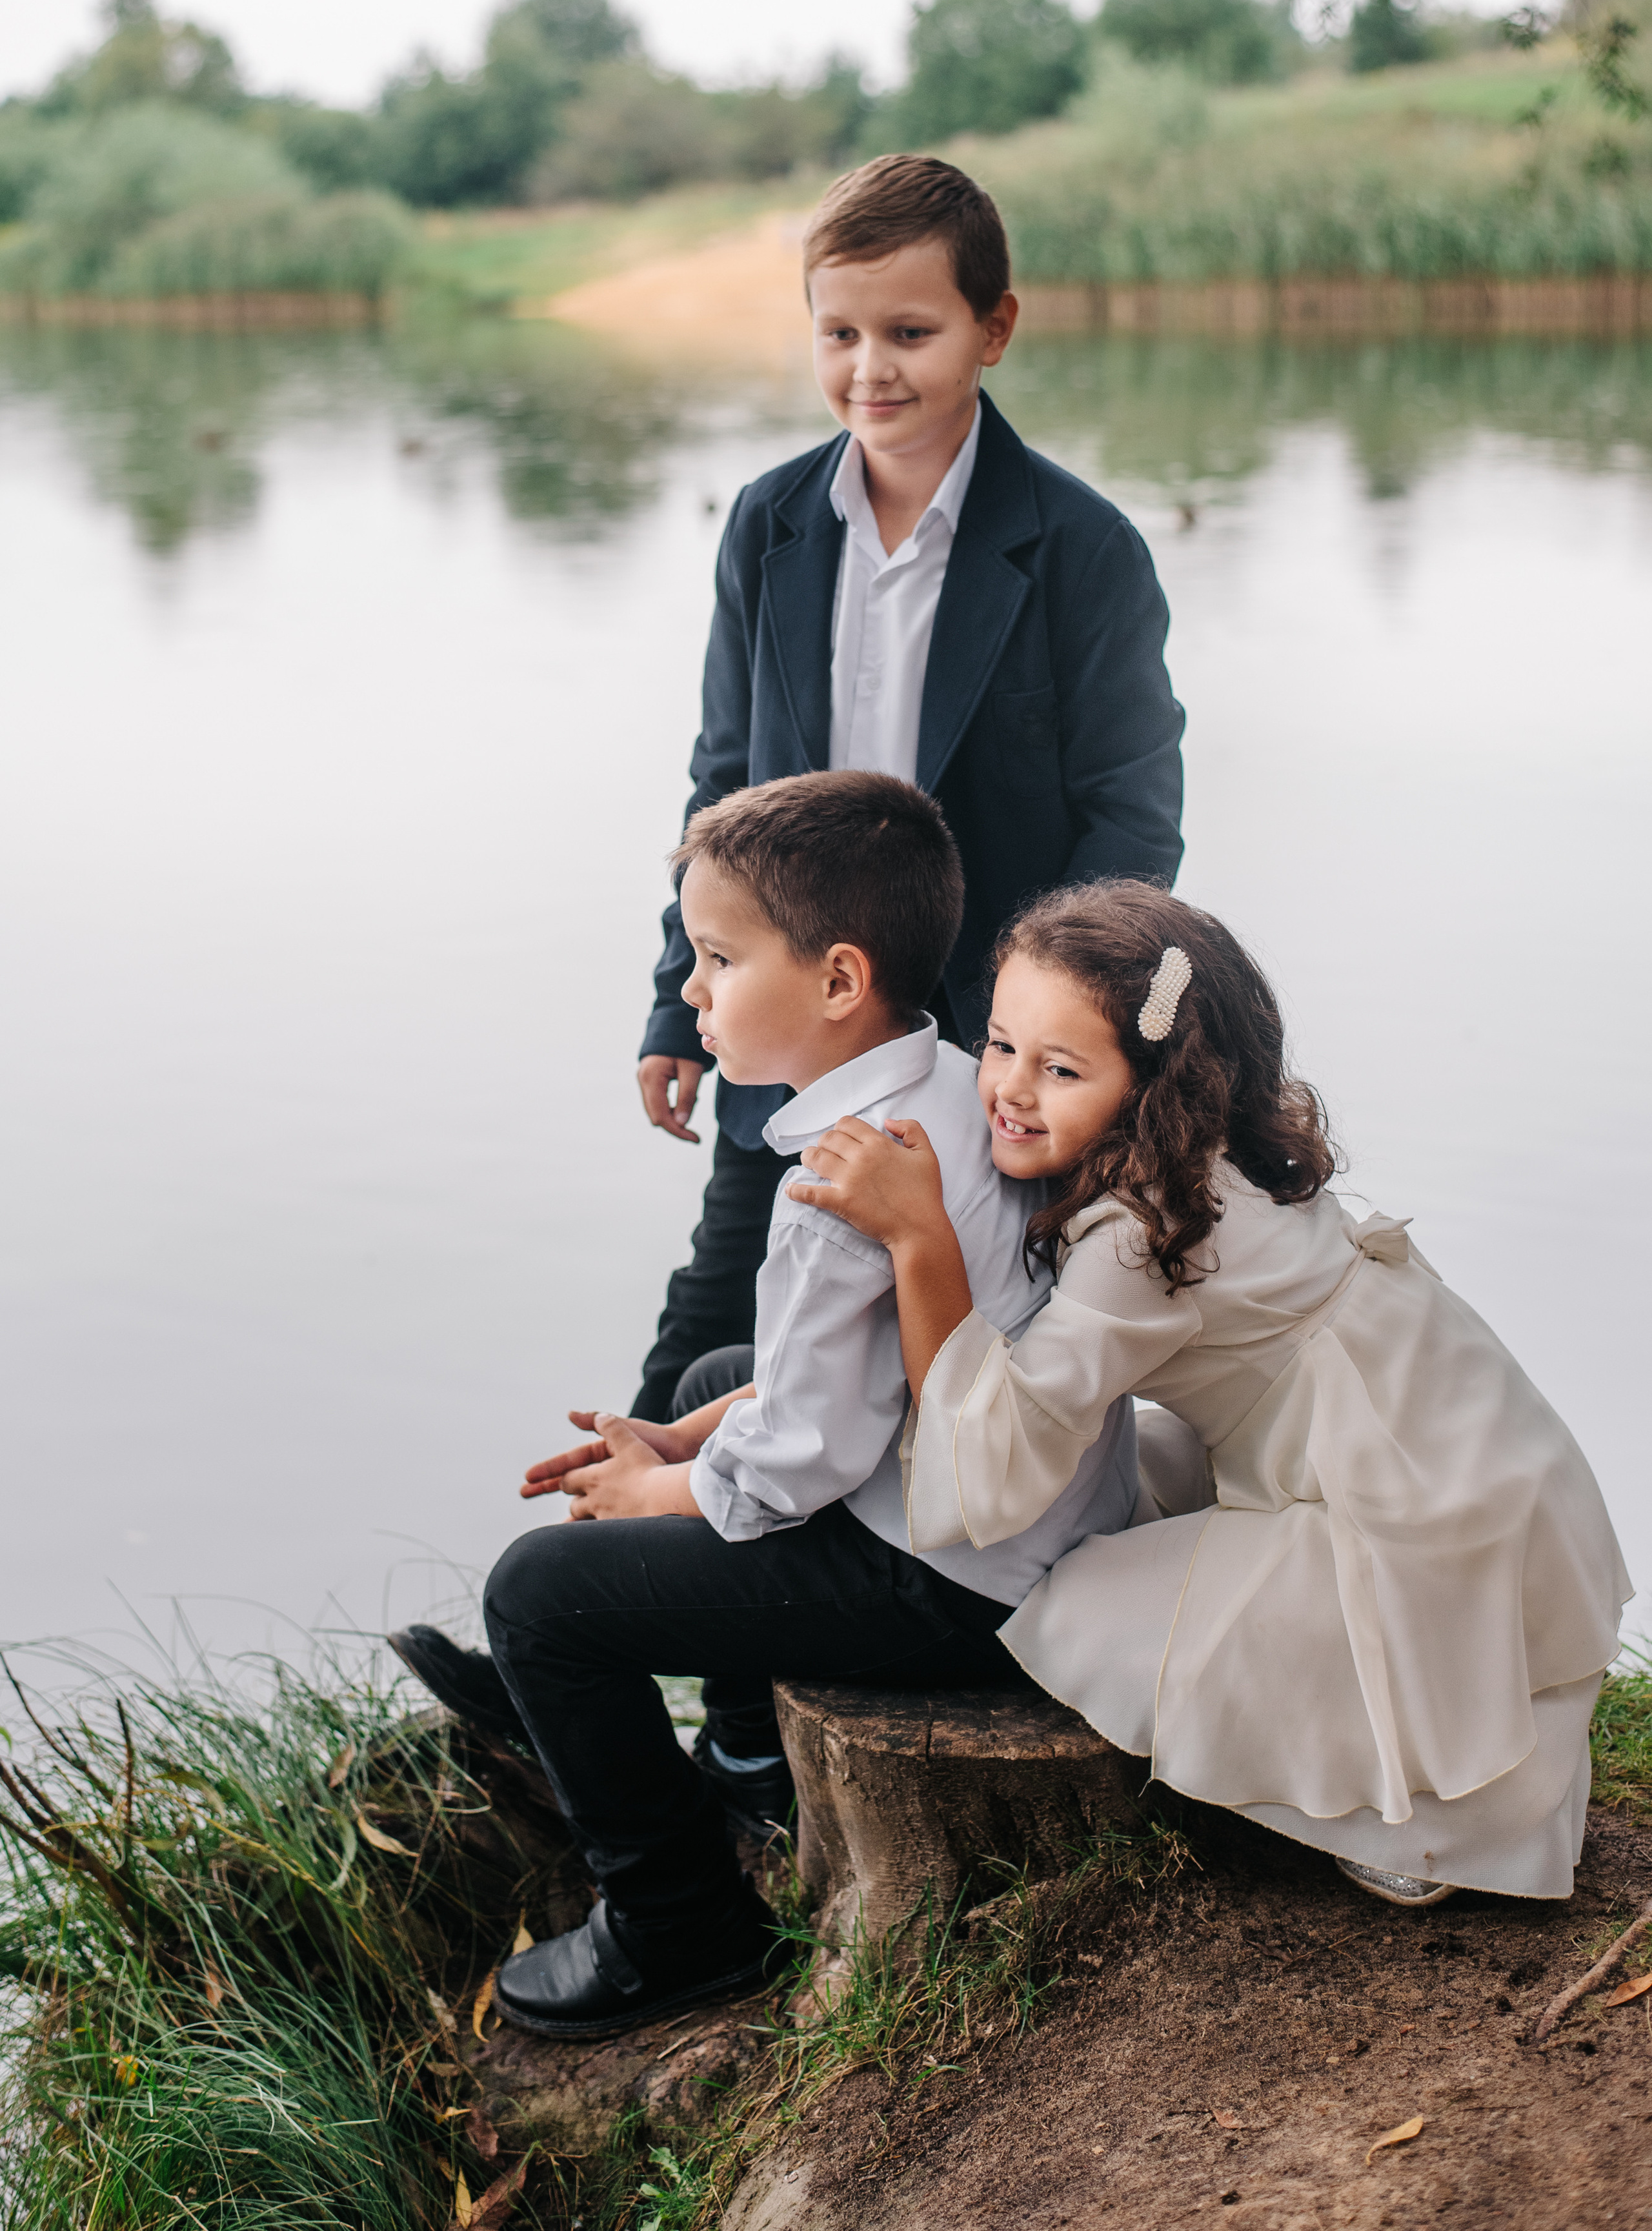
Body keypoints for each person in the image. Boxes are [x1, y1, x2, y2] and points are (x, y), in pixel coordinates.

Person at [393, 773, 1143, 2038]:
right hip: (1024, 1506)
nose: (691, 992)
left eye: (719, 958)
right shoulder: (951, 1084)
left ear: (839, 980)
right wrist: (692, 1436)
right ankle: (750, 1759)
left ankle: (675, 1923)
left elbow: (797, 1464)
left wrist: (651, 1489)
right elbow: (846, 1382)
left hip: (960, 1582)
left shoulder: (836, 1196)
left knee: (537, 1599)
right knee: (707, 1381)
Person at [791, 878, 1631, 1909]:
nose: (1009, 1089)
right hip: (1456, 1457)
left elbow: (992, 1475)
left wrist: (920, 1237)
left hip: (1418, 1517)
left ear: (1155, 1087)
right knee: (1128, 1471)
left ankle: (1411, 1814)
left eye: (1061, 1068)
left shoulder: (1144, 1235)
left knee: (1075, 1605)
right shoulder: (1210, 1159)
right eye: (1000, 1045)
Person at [630, 151, 1184, 1418]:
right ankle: (612, 1543)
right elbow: (725, 783)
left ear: (994, 328)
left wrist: (1037, 1044)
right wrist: (677, 994)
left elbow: (1131, 823)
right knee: (714, 1322)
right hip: (793, 1018)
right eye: (839, 334)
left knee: (943, 1364)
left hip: (986, 1046)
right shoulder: (768, 525)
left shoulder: (1084, 549)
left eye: (909, 333)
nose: (869, 369)